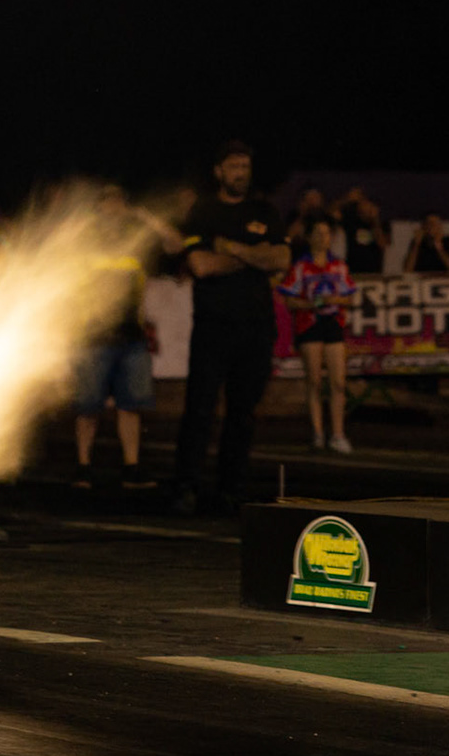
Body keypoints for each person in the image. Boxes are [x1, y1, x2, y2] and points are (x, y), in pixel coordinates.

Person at [171, 141, 290, 515]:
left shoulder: (265, 210)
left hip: (256, 327)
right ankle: (185, 487)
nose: (242, 172)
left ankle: (231, 489)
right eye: (234, 165)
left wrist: (233, 250)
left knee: (243, 413)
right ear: (219, 171)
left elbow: (282, 259)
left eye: (246, 165)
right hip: (213, 327)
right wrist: (255, 256)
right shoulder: (203, 212)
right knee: (200, 411)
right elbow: (201, 266)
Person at [73, 187, 158, 489]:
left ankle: (131, 468)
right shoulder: (84, 246)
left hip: (130, 337)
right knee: (87, 408)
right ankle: (83, 468)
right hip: (93, 338)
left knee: (131, 405)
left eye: (119, 200)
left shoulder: (134, 247)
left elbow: (144, 286)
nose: (114, 206)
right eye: (106, 200)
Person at [277, 217, 357, 454]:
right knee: (314, 380)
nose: (324, 238)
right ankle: (318, 431)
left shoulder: (339, 266)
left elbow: (350, 297)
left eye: (327, 233)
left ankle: (338, 433)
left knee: (338, 382)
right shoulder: (301, 266)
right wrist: (309, 304)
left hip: (332, 323)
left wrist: (335, 300)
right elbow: (289, 298)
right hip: (309, 325)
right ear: (310, 237)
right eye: (319, 233)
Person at [333, 187, 389, 274]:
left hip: (374, 273)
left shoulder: (381, 224)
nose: (368, 208)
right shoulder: (350, 220)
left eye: (371, 205)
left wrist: (375, 221)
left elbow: (382, 244)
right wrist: (346, 199)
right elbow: (332, 213)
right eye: (365, 204)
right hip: (353, 271)